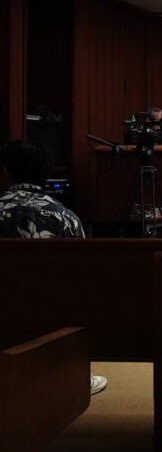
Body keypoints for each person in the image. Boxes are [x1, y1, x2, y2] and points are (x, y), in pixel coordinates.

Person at [0, 139, 107, 396]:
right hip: (50, 320)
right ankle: (68, 373)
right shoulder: (66, 217)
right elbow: (84, 277)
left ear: (6, 172)